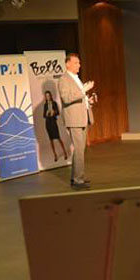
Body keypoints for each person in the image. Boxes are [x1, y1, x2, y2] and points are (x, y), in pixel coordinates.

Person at [57, 52, 95, 189]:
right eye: (76, 63)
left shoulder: (76, 79)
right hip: (74, 119)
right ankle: (78, 180)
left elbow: (78, 97)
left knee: (80, 150)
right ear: (67, 64)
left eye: (79, 63)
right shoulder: (64, 79)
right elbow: (66, 98)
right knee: (79, 150)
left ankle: (76, 178)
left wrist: (88, 101)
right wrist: (84, 90)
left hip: (82, 117)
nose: (79, 65)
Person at [43, 90, 68, 162]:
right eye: (46, 96)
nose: (48, 97)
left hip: (53, 122)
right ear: (45, 97)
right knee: (51, 140)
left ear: (50, 96)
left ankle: (65, 152)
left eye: (49, 96)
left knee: (58, 138)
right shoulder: (45, 105)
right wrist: (46, 113)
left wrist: (54, 112)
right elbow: (44, 115)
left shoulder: (54, 103)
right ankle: (55, 155)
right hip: (48, 123)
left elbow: (58, 112)